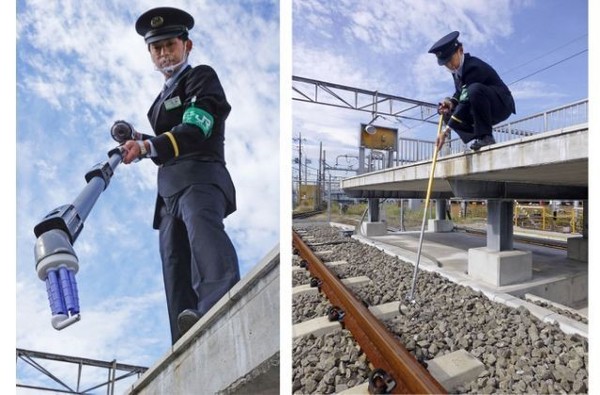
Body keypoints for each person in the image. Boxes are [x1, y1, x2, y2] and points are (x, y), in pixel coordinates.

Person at [120, 6, 240, 344]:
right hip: (168, 195)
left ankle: (221, 309)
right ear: (150, 54)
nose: (163, 53)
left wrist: (147, 147)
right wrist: (140, 142)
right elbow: (165, 140)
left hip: (200, 178)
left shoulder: (200, 77)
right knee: (174, 263)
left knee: (205, 239)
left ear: (187, 45)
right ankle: (182, 340)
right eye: (156, 48)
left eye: (170, 45)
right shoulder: (157, 104)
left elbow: (196, 126)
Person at [429, 31, 515, 151]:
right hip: (481, 106)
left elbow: (465, 100)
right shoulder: (457, 70)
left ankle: (486, 137)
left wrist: (446, 131)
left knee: (473, 90)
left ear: (460, 50)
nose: (449, 65)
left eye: (451, 60)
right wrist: (451, 103)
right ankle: (479, 136)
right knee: (448, 112)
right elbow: (459, 93)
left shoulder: (473, 67)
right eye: (446, 63)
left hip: (500, 105)